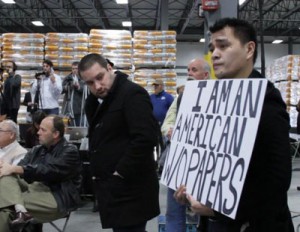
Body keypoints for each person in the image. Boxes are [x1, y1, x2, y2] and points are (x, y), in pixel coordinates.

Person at [174, 17, 293, 232]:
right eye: (212, 48)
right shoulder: (213, 100)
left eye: (223, 45)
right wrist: (190, 191)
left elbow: (276, 182)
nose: (215, 54)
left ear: (249, 50)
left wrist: (217, 209)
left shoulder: (266, 101)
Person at [78, 53, 160, 232]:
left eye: (100, 78)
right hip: (114, 189)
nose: (97, 86)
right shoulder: (99, 100)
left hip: (131, 189)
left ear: (109, 68)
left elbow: (145, 138)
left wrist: (119, 173)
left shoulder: (132, 94)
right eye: (90, 83)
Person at [0, 115, 82, 232]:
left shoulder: (69, 151)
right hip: (32, 189)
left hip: (56, 196)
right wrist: (5, 168)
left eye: (43, 130)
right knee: (7, 176)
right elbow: (19, 171)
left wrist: (16, 169)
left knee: (6, 208)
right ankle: (21, 210)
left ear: (55, 134)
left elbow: (49, 170)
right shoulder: (36, 150)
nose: (38, 132)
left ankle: (20, 210)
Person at [161, 58, 210, 232]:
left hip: (205, 165)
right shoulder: (182, 97)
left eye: (194, 70)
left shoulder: (217, 96)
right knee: (174, 212)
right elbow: (167, 123)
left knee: (205, 214)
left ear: (206, 75)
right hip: (179, 161)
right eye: (188, 70)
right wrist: (170, 130)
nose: (189, 73)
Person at [61, 61, 85, 126]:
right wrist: (68, 87)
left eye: (76, 68)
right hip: (68, 109)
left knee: (80, 129)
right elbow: (61, 90)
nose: (74, 70)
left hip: (80, 109)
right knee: (69, 129)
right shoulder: (68, 78)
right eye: (73, 68)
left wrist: (78, 87)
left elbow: (86, 90)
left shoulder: (84, 78)